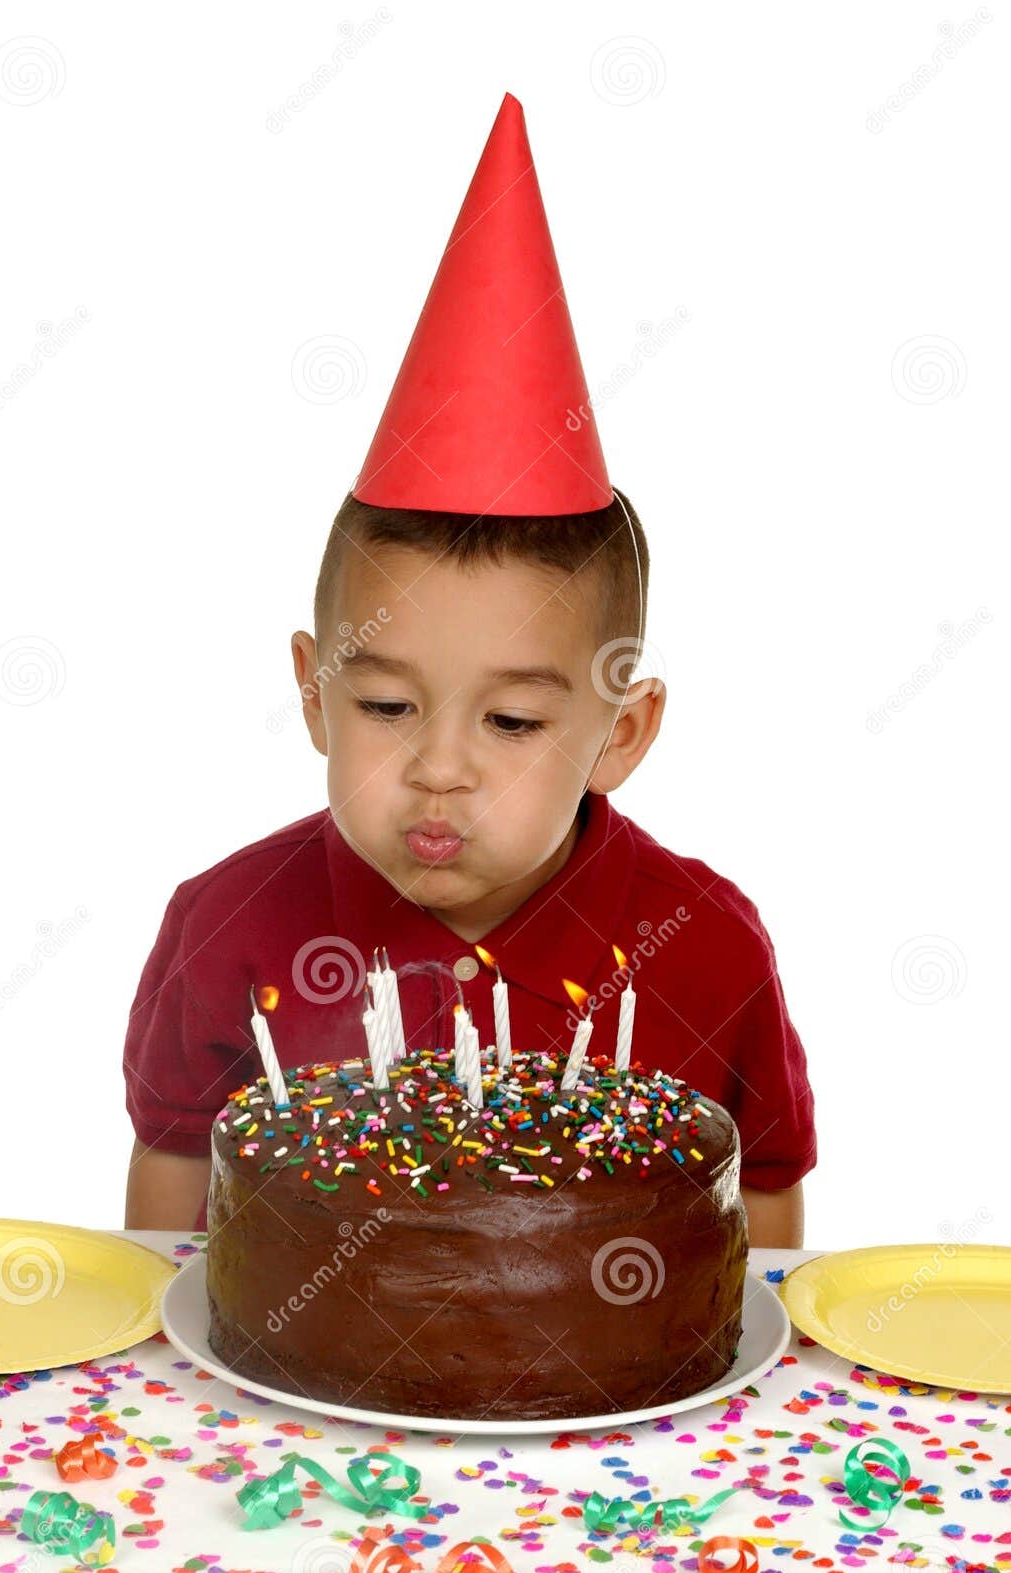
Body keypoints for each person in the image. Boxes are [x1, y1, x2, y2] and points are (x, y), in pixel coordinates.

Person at [123, 94, 815, 1243]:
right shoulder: (225, 927)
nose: (437, 767)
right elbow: (171, 1191)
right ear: (312, 691)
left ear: (622, 732)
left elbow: (766, 1198)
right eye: (386, 703)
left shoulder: (704, 948)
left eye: (511, 722)